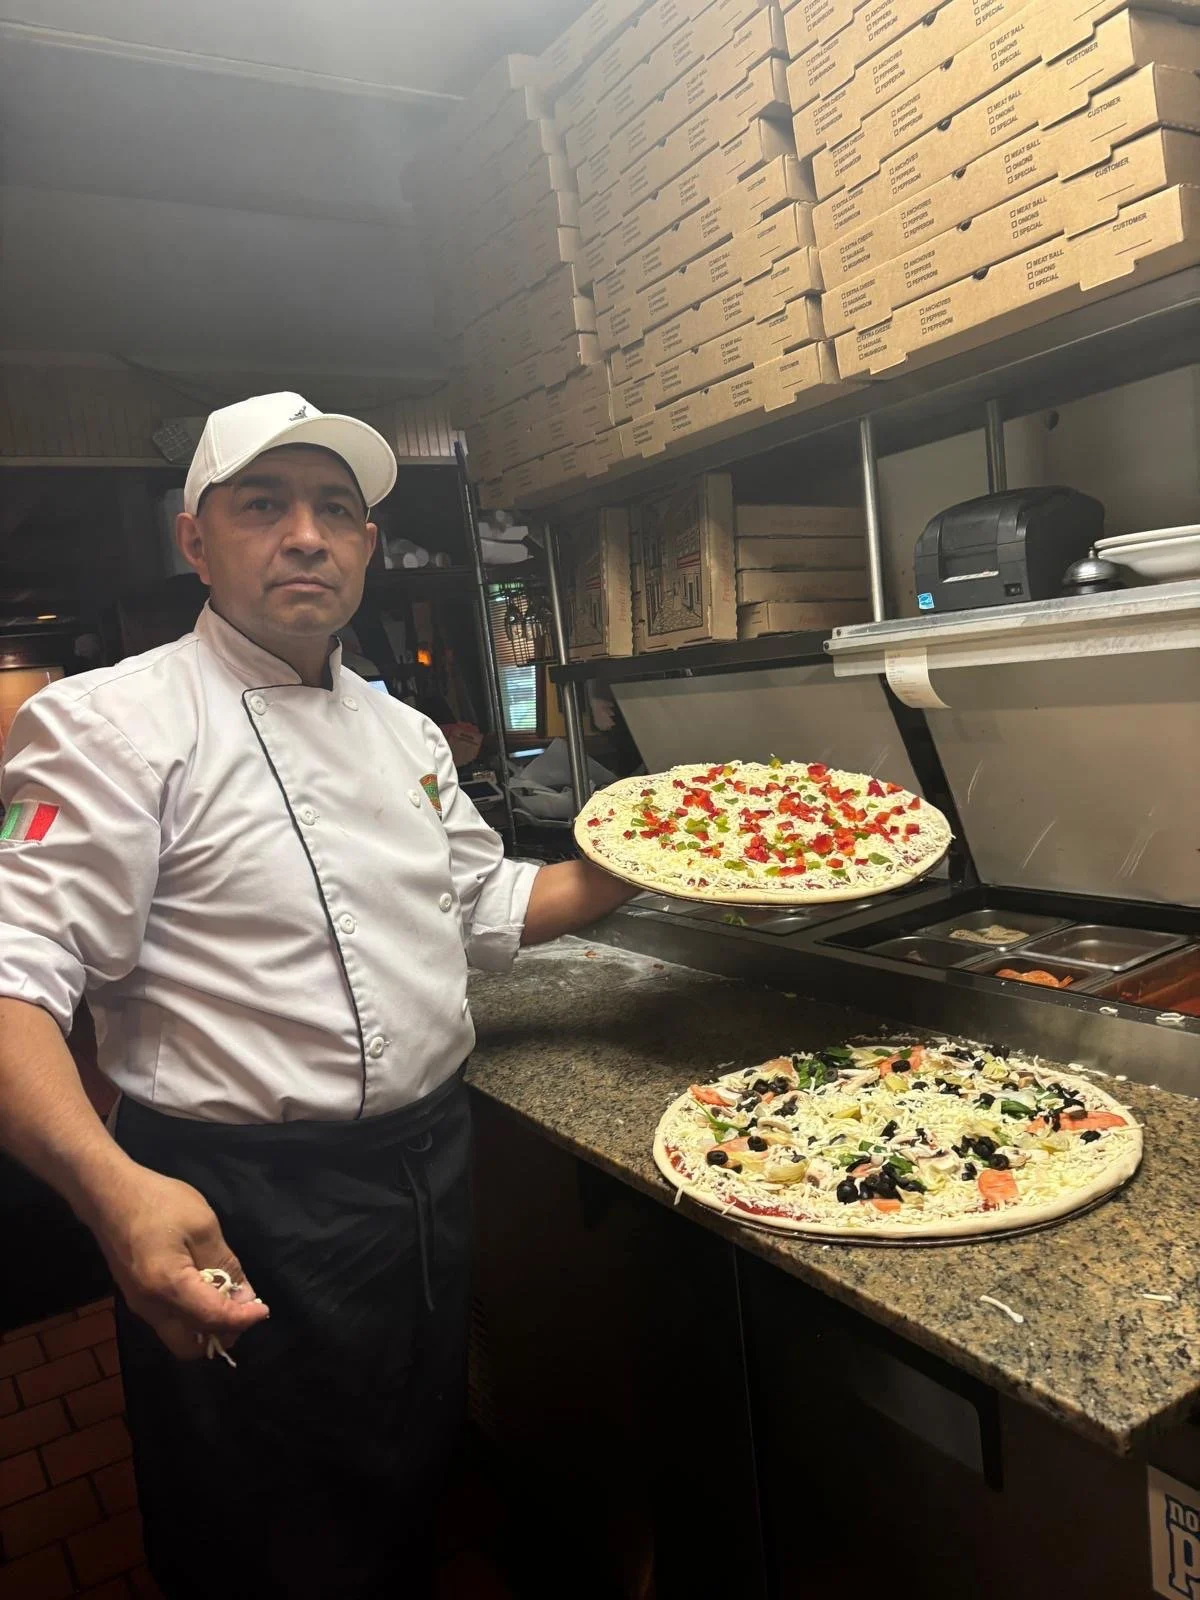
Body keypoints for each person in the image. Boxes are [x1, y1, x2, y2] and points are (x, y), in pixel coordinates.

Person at [0, 393, 636, 1598]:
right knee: (251, 1520)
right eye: (264, 505)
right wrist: (110, 1185)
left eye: (336, 510)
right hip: (238, 1194)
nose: (307, 535)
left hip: (424, 1173)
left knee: (404, 1464)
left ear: (367, 546)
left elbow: (489, 909)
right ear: (195, 540)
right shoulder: (107, 725)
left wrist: (655, 854)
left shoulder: (401, 731)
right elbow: (12, 976)